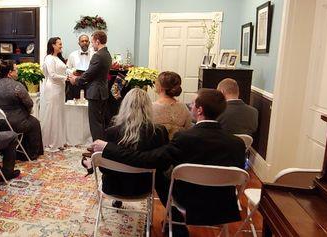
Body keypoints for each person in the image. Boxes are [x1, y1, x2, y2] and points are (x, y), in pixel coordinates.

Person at [91, 89, 245, 236]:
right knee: (161, 175)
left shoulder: (184, 138)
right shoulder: (238, 144)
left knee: (163, 175)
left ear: (199, 111)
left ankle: (176, 220)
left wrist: (108, 148)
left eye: (193, 104)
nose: (190, 106)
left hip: (186, 200)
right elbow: (237, 175)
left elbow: (147, 160)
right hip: (223, 206)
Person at [83, 88, 168, 197]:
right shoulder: (159, 133)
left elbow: (104, 168)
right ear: (148, 108)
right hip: (143, 188)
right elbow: (162, 166)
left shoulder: (111, 132)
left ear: (124, 106)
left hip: (113, 187)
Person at [0, 61, 43, 159]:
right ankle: (30, 154)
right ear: (10, 72)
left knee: (28, 120)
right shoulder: (17, 86)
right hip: (15, 123)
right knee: (34, 123)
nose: (17, 72)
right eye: (16, 70)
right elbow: (29, 103)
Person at [69, 30, 112, 140]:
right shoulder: (107, 54)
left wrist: (76, 80)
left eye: (92, 42)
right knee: (100, 121)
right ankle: (101, 146)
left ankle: (97, 149)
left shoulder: (98, 55)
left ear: (97, 41)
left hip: (95, 93)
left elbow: (88, 74)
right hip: (103, 92)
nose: (91, 45)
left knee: (95, 123)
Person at [40, 37, 68, 150]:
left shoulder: (58, 58)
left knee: (59, 113)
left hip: (60, 89)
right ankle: (50, 141)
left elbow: (64, 69)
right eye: (59, 44)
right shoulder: (49, 58)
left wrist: (72, 72)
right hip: (53, 88)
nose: (61, 46)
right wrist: (66, 78)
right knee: (53, 113)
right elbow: (52, 75)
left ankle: (59, 140)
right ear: (53, 45)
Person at [152, 71, 192, 139]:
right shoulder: (183, 107)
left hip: (157, 147)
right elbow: (188, 129)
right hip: (179, 146)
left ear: (160, 87)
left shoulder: (151, 108)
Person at [66, 34, 94, 100]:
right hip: (76, 84)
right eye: (82, 41)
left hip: (90, 84)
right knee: (75, 105)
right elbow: (67, 69)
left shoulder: (94, 55)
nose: (84, 43)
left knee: (88, 106)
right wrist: (73, 72)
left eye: (86, 41)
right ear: (79, 43)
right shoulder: (72, 55)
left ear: (89, 43)